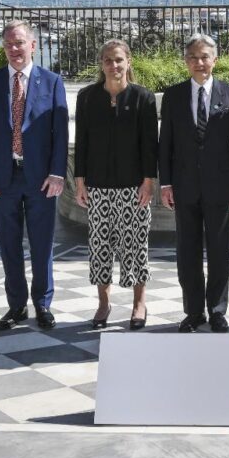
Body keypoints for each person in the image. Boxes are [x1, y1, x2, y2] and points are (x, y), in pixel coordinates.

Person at [0, 19, 69, 331]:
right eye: (9, 44)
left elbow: (59, 131)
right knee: (9, 244)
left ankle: (42, 303)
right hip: (3, 179)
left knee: (42, 244)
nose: (15, 49)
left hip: (41, 178)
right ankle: (16, 306)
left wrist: (58, 173)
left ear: (33, 46)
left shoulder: (52, 81)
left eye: (20, 43)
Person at [159, 33, 229, 333]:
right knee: (188, 251)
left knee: (220, 250)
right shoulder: (172, 96)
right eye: (193, 57)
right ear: (186, 62)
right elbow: (165, 144)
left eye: (204, 57)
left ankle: (218, 310)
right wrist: (165, 183)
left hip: (220, 185)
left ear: (215, 60)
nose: (199, 62)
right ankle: (193, 311)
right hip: (184, 186)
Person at [73, 39, 157, 330]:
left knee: (136, 246)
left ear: (128, 62)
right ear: (101, 64)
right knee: (100, 246)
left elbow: (150, 145)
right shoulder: (86, 97)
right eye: (108, 60)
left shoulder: (143, 98)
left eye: (119, 60)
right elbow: (81, 142)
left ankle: (138, 304)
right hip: (98, 185)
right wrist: (80, 181)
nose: (114, 65)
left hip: (133, 186)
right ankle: (104, 304)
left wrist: (148, 182)